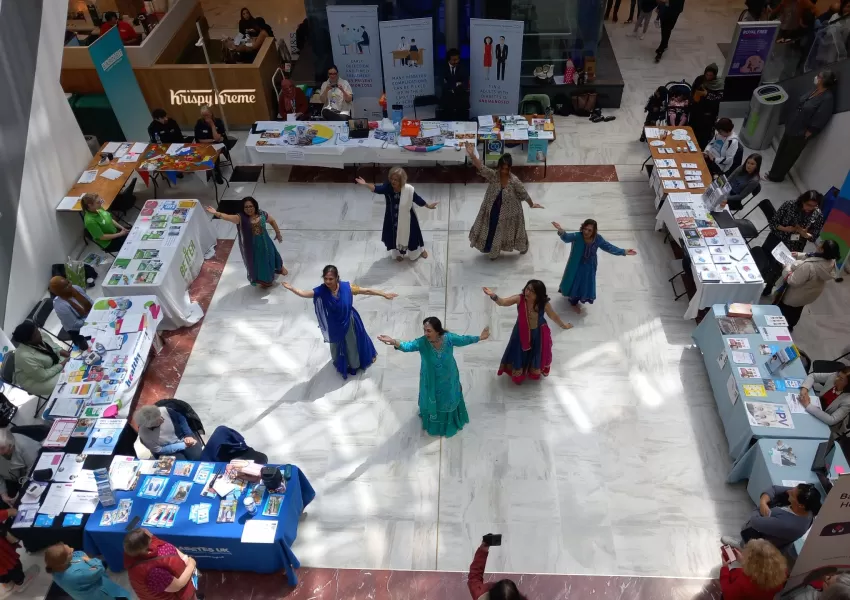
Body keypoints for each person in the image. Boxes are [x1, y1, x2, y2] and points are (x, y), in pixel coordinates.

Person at [377, 318, 488, 437]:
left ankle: (449, 423)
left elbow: (463, 339)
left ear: (437, 331)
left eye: (429, 331)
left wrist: (480, 337)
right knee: (433, 396)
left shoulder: (449, 338)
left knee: (449, 398)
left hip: (449, 377)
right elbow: (407, 346)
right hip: (431, 379)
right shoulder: (422, 342)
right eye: (424, 330)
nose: (425, 334)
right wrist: (393, 341)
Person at [282, 265, 396, 379]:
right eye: (325, 278)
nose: (327, 281)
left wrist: (383, 294)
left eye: (330, 279)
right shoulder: (321, 291)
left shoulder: (347, 287)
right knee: (336, 344)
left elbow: (367, 290)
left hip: (350, 321)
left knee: (353, 343)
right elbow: (304, 293)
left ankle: (354, 364)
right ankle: (341, 361)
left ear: (337, 278)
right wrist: (292, 288)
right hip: (334, 323)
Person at [483, 280, 572, 385]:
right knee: (519, 352)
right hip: (520, 333)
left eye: (532, 291)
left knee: (535, 353)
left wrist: (563, 325)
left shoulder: (543, 304)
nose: (528, 292)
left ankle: (531, 371)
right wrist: (493, 295)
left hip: (537, 334)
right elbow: (503, 302)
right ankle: (518, 375)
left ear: (538, 294)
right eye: (527, 289)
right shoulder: (519, 299)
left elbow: (553, 316)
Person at [465, 145, 543, 259]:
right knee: (492, 229)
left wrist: (532, 204)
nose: (504, 171)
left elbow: (524, 194)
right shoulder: (493, 176)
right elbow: (481, 167)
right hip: (493, 210)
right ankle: (492, 250)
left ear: (510, 168)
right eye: (502, 168)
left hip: (510, 213)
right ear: (499, 167)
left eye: (507, 168)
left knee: (509, 232)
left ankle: (522, 246)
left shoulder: (514, 181)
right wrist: (472, 155)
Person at [765, 70, 836, 182]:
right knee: (782, 151)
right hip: (792, 125)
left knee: (789, 155)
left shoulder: (827, 98)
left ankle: (776, 176)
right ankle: (772, 172)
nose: (816, 77)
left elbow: (821, 118)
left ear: (824, 80)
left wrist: (808, 132)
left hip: (800, 132)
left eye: (819, 76)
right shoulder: (815, 90)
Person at [553, 219, 637, 313]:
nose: (586, 232)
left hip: (590, 266)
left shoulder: (597, 239)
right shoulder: (577, 236)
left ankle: (580, 297)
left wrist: (624, 251)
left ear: (594, 231)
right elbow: (566, 238)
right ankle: (573, 301)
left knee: (585, 283)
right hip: (576, 264)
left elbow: (608, 247)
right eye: (585, 229)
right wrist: (560, 230)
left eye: (589, 230)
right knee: (575, 281)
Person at [355, 169, 437, 261]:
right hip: (392, 217)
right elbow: (376, 189)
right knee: (394, 236)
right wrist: (365, 184)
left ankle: (420, 250)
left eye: (396, 180)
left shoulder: (408, 190)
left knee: (413, 236)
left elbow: (417, 199)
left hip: (408, 218)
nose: (393, 181)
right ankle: (400, 253)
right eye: (392, 179)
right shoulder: (388, 187)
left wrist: (428, 206)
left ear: (401, 181)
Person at [206, 197, 287, 287]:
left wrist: (278, 233)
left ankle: (279, 268)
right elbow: (227, 217)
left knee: (272, 255)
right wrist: (216, 213)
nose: (249, 209)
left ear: (255, 206)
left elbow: (272, 220)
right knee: (261, 263)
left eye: (250, 206)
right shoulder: (241, 218)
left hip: (267, 243)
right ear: (243, 209)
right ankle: (265, 280)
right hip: (254, 247)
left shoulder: (262, 214)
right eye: (246, 207)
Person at [722, 483, 821, 551]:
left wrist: (760, 507)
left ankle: (741, 548)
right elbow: (775, 488)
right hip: (770, 534)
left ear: (801, 505)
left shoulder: (788, 525)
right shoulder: (808, 507)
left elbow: (755, 521)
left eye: (792, 494)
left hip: (762, 543)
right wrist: (763, 502)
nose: (789, 491)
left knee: (748, 546)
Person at [761, 191, 825, 295]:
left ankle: (768, 286)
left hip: (794, 245)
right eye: (808, 204)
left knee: (778, 268)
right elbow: (773, 223)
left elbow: (814, 237)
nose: (810, 208)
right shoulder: (789, 205)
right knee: (765, 260)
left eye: (814, 206)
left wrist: (805, 234)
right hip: (777, 238)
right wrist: (785, 229)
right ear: (802, 200)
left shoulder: (817, 215)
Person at [775, 239, 840, 330]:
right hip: (808, 294)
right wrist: (798, 255)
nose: (819, 244)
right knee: (797, 309)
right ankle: (791, 325)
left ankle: (781, 327)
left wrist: (787, 267)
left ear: (822, 250)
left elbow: (792, 280)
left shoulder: (809, 267)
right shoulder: (831, 261)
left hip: (794, 294)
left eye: (821, 244)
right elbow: (812, 256)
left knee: (786, 310)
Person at [124, 528, 198, 600]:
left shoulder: (134, 549)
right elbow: (178, 585)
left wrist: (184, 557)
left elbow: (164, 544)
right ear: (147, 541)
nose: (147, 531)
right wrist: (191, 564)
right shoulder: (153, 573)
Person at [45, 543, 131, 600]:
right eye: (69, 552)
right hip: (99, 594)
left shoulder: (55, 567)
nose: (72, 549)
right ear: (63, 561)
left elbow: (79, 554)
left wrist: (88, 562)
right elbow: (99, 568)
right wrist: (90, 561)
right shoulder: (74, 575)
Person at [10, 321, 70, 398]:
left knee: (71, 366)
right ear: (28, 341)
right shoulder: (24, 356)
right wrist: (62, 364)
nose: (39, 333)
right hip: (35, 380)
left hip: (50, 364)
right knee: (64, 380)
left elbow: (54, 347)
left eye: (37, 330)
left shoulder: (41, 335)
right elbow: (42, 376)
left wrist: (65, 353)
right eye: (36, 334)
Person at [719, 538, 788, 600]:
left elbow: (727, 595)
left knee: (733, 572)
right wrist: (743, 561)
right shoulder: (782, 572)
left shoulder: (743, 583)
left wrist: (724, 569)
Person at [135, 405, 203, 461]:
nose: (162, 420)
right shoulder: (144, 434)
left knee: (199, 458)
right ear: (149, 426)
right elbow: (159, 450)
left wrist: (188, 435)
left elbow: (181, 419)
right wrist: (183, 445)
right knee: (180, 465)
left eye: (160, 417)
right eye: (158, 422)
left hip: (184, 438)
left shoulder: (164, 410)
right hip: (168, 450)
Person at [798, 365, 850, 438]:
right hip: (816, 406)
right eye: (838, 375)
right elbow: (813, 376)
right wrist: (805, 389)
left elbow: (832, 420)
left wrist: (808, 405)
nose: (836, 378)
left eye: (841, 379)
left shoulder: (848, 401)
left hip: (825, 424)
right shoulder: (835, 375)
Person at [0, 505, 38, 594]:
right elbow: (9, 512)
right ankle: (20, 582)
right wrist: (9, 512)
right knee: (13, 568)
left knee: (3, 575)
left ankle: (8, 583)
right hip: (3, 556)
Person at [194, 105, 235, 185]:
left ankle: (216, 172)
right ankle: (208, 169)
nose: (206, 117)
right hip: (206, 144)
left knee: (214, 152)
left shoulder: (218, 122)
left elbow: (217, 138)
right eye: (204, 115)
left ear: (211, 113)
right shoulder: (199, 123)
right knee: (205, 151)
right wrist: (212, 140)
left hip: (219, 144)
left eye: (207, 115)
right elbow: (200, 140)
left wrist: (212, 125)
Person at [49, 276, 92, 350]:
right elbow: (75, 324)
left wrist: (95, 312)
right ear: (58, 292)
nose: (70, 286)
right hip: (78, 330)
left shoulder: (76, 288)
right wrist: (92, 320)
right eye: (65, 287)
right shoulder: (60, 305)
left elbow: (90, 302)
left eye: (68, 282)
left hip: (90, 317)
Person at [0, 428, 39, 509]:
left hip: (29, 476)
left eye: (3, 448)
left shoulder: (25, 446)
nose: (1, 452)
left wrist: (20, 494)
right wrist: (3, 494)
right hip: (9, 479)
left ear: (11, 445)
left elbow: (32, 470)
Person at [690, 63, 725, 149]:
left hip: (708, 114)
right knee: (693, 130)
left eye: (711, 75)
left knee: (703, 134)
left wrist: (707, 94)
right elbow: (693, 90)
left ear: (715, 75)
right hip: (696, 111)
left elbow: (719, 98)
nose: (708, 77)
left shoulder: (718, 84)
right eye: (707, 74)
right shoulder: (700, 79)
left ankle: (701, 149)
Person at [440, 48, 468, 121]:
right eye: (454, 60)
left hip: (461, 101)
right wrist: (457, 83)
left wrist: (450, 84)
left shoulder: (463, 67)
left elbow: (465, 83)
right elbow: (442, 83)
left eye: (457, 59)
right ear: (448, 60)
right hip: (447, 102)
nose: (456, 61)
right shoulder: (442, 68)